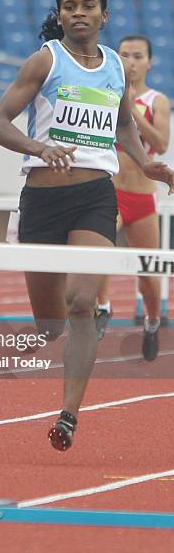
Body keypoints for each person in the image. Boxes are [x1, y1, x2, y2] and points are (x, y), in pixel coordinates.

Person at [0, 0, 174, 451]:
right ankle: (62, 333)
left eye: (89, 6)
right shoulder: (45, 61)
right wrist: (37, 147)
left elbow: (124, 128)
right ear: (61, 14)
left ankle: (68, 414)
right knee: (50, 325)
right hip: (42, 200)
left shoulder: (113, 66)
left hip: (94, 195)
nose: (79, 13)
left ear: (103, 15)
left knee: (82, 303)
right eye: (70, 6)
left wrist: (147, 166)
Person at [96, 35, 171, 360]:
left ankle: (152, 322)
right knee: (97, 249)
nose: (131, 61)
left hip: (142, 197)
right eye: (124, 55)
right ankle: (103, 306)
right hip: (110, 191)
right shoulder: (104, 94)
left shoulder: (157, 100)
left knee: (149, 279)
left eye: (138, 56)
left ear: (149, 62)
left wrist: (130, 108)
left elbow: (161, 143)